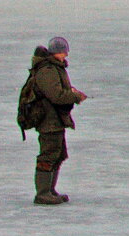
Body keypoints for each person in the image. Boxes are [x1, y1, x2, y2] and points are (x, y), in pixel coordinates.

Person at [30, 35, 87, 205]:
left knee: (58, 154)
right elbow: (56, 95)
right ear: (55, 52)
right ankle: (42, 193)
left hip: (56, 119)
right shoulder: (47, 70)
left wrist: (71, 92)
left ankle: (50, 190)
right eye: (63, 52)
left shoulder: (56, 68)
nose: (66, 55)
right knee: (48, 155)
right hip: (48, 120)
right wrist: (75, 96)